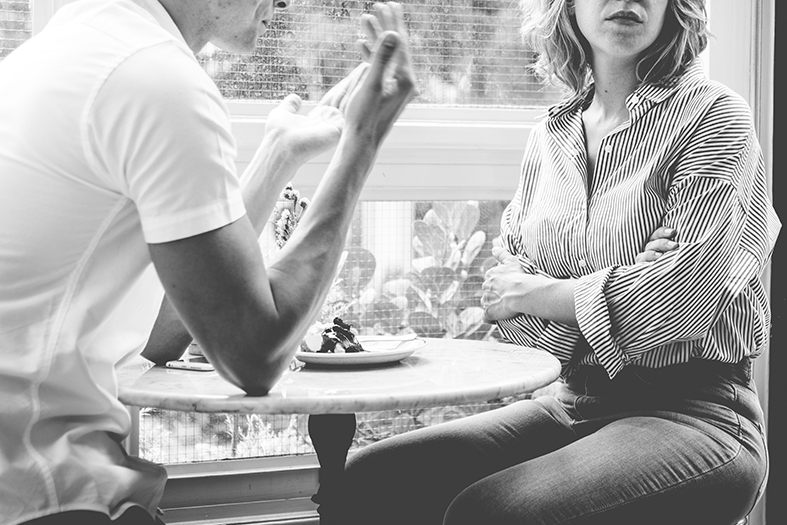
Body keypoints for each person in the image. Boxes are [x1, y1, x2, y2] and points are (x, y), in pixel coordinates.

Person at [339, 1, 779, 524]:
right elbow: (515, 319)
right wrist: (630, 283)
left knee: (490, 512)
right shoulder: (549, 137)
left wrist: (546, 291)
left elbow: (689, 297)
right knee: (368, 480)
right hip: (571, 401)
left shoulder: (715, 114)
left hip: (695, 412)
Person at [0, 0, 415, 522]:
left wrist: (278, 155)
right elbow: (255, 356)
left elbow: (161, 331)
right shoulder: (157, 78)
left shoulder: (62, 52)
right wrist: (363, 139)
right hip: (43, 496)